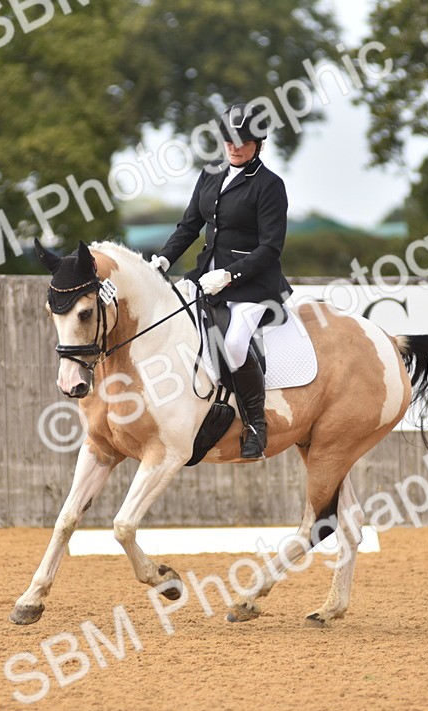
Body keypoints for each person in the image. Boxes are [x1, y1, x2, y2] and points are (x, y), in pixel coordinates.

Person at [149, 102, 292, 460]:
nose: (235, 146)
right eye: (229, 139)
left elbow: (271, 247)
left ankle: (257, 424)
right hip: (205, 277)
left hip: (252, 285)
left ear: (259, 142)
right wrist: (165, 258)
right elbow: (189, 226)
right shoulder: (211, 174)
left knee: (232, 345)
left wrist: (230, 274)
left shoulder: (269, 185)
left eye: (243, 140)